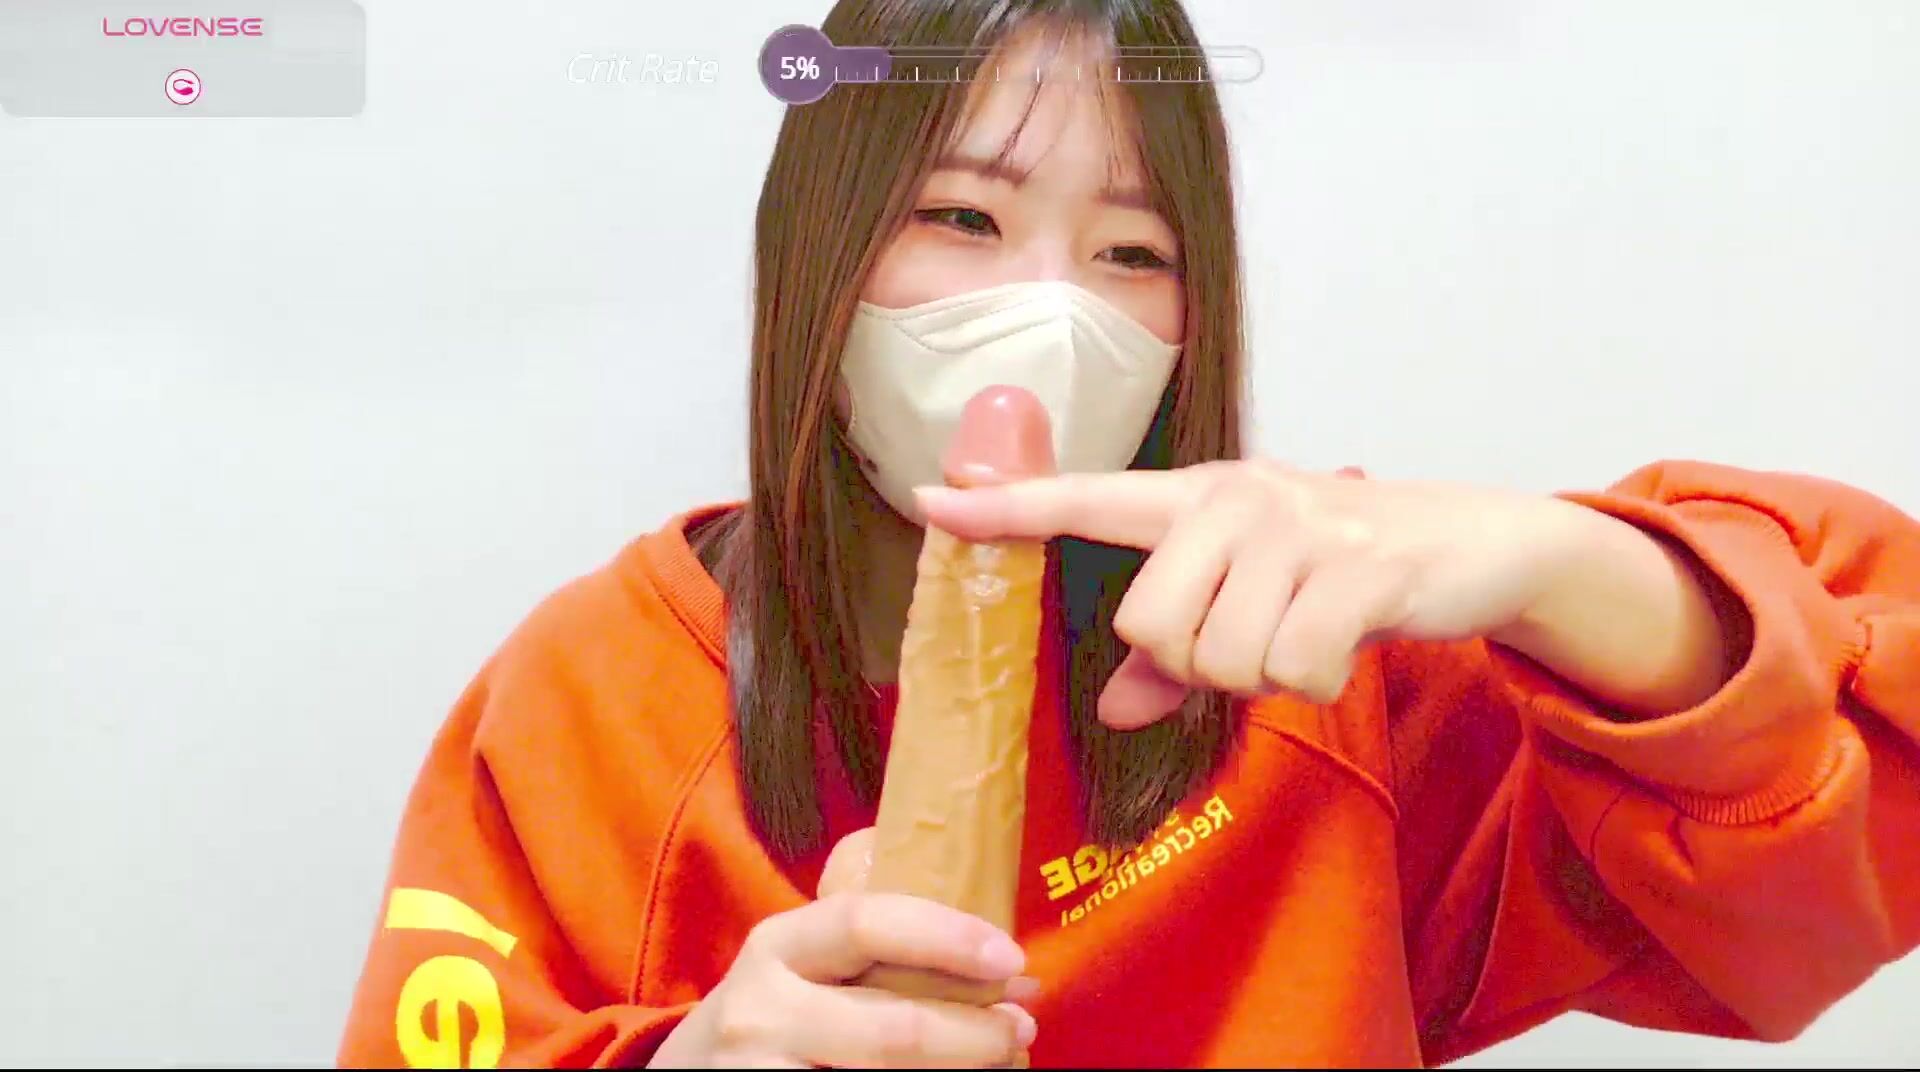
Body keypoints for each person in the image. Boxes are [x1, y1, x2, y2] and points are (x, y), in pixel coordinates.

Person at [336, 1, 1920, 1067]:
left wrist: (1561, 564)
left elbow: (1854, 808)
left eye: (1132, 254)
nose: (1050, 319)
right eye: (962, 218)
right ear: (818, 248)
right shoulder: (591, 699)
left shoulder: (1318, 666)